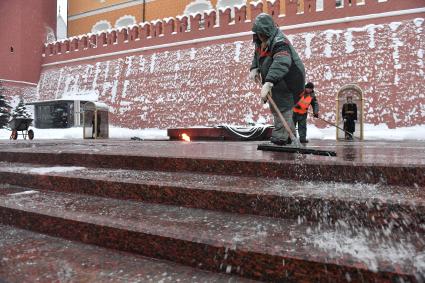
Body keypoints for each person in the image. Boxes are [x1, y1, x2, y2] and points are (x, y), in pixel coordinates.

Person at [249, 13, 305, 146]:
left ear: (267, 31)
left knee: (283, 106)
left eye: (261, 33)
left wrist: (269, 82)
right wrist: (254, 67)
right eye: (257, 33)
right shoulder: (260, 41)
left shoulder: (280, 42)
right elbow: (257, 55)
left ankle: (281, 138)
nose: (259, 36)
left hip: (290, 81)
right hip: (277, 80)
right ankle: (290, 137)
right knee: (278, 106)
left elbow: (282, 61)